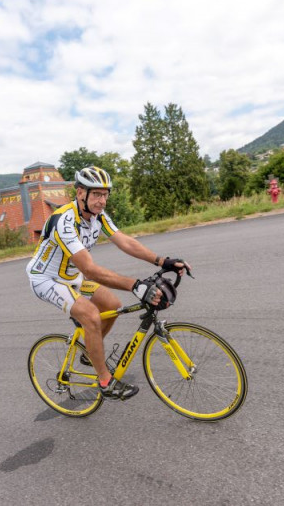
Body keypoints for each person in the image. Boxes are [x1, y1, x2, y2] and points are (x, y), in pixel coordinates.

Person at [26, 166, 190, 400]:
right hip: (46, 279)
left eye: (105, 195)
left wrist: (161, 260)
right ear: (81, 192)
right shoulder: (64, 221)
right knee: (91, 316)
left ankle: (90, 353)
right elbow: (90, 270)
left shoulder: (97, 217)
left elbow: (124, 241)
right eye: (97, 195)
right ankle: (105, 382)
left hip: (72, 278)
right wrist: (135, 285)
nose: (102, 201)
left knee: (112, 305)